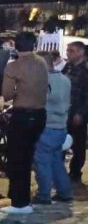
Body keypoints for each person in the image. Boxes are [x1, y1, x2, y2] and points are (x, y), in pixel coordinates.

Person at [0, 32, 49, 214]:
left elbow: (6, 94)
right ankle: (21, 199)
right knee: (27, 158)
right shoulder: (42, 62)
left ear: (15, 45)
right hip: (40, 115)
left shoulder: (13, 66)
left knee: (17, 160)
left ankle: (20, 203)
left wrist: (17, 91)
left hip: (22, 116)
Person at [34, 53, 73, 205]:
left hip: (46, 127)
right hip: (61, 127)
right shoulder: (65, 79)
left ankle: (44, 195)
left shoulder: (43, 81)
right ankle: (65, 192)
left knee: (42, 162)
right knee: (56, 161)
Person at [62, 40, 88, 184]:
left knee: (78, 144)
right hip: (64, 110)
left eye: (71, 51)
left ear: (80, 52)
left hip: (78, 112)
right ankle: (59, 172)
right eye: (67, 51)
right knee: (61, 141)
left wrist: (81, 113)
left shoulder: (85, 69)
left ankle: (75, 173)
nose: (68, 53)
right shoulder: (69, 66)